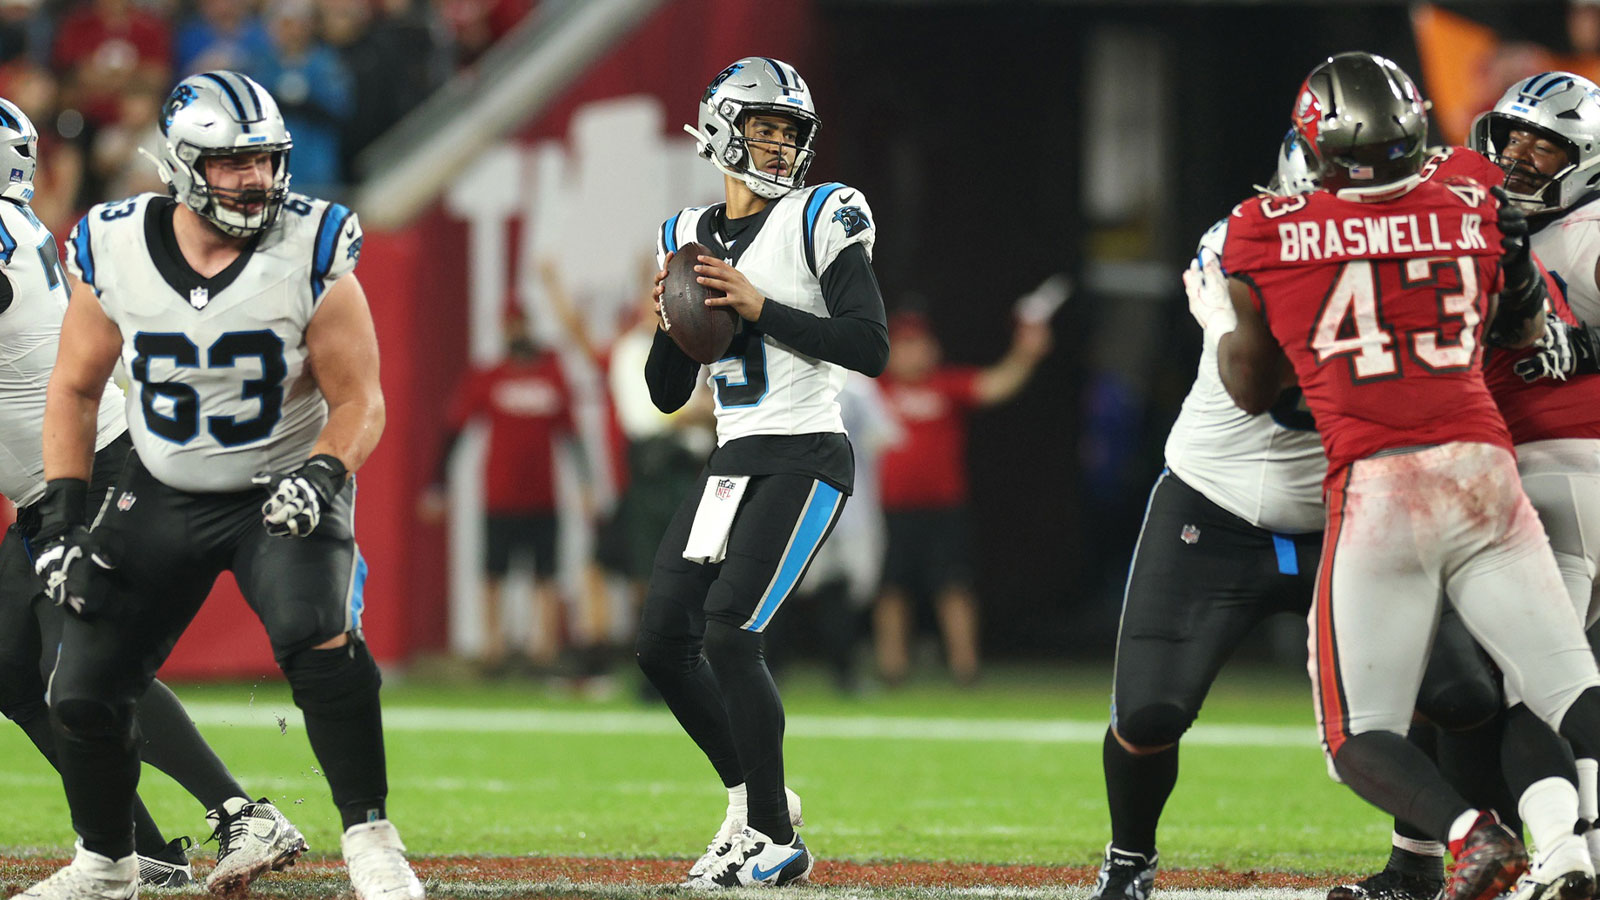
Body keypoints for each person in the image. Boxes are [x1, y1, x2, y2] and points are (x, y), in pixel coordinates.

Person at [13, 71, 423, 900]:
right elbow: (75, 385)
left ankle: (371, 841)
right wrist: (58, 514)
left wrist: (325, 468)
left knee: (316, 634)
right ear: (182, 166)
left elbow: (361, 398)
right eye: (234, 164)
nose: (258, 180)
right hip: (160, 483)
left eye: (267, 161)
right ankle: (111, 863)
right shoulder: (112, 239)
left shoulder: (314, 247)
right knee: (80, 687)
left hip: (276, 484)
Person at [1219, 51, 1600, 900]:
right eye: (1518, 140)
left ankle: (1471, 837)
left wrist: (1223, 309)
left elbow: (1249, 387)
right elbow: (1519, 323)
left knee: (1359, 736)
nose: (1523, 156)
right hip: (1488, 470)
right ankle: (1570, 853)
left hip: (1386, 486)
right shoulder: (1468, 196)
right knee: (1559, 684)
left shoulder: (1261, 228)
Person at [0, 93, 310, 896]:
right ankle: (139, 851)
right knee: (10, 668)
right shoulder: (19, 223)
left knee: (90, 662)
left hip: (100, 468)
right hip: (53, 484)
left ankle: (243, 814)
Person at [637, 56, 888, 888]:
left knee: (731, 634)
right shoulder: (684, 234)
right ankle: (751, 804)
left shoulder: (822, 215)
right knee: (661, 643)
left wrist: (759, 308)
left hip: (807, 450)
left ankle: (778, 837)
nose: (779, 148)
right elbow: (666, 393)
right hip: (732, 458)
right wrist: (672, 326)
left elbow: (869, 345)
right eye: (763, 129)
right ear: (718, 129)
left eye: (789, 134)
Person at [873, 307, 1050, 686]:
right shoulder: (874, 389)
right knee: (890, 589)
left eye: (917, 343)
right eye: (903, 345)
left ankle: (965, 668)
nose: (911, 352)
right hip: (889, 509)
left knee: (954, 586)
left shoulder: (945, 385)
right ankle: (892, 669)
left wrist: (1026, 352)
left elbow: (997, 384)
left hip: (944, 509)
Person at [421, 308, 586, 675]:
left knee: (545, 574)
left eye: (522, 324)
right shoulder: (488, 377)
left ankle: (543, 653)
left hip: (543, 496)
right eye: (512, 325)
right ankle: (492, 652)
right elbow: (454, 431)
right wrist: (437, 484)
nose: (518, 331)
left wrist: (586, 484)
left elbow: (572, 435)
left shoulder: (551, 375)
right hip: (500, 496)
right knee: (494, 573)